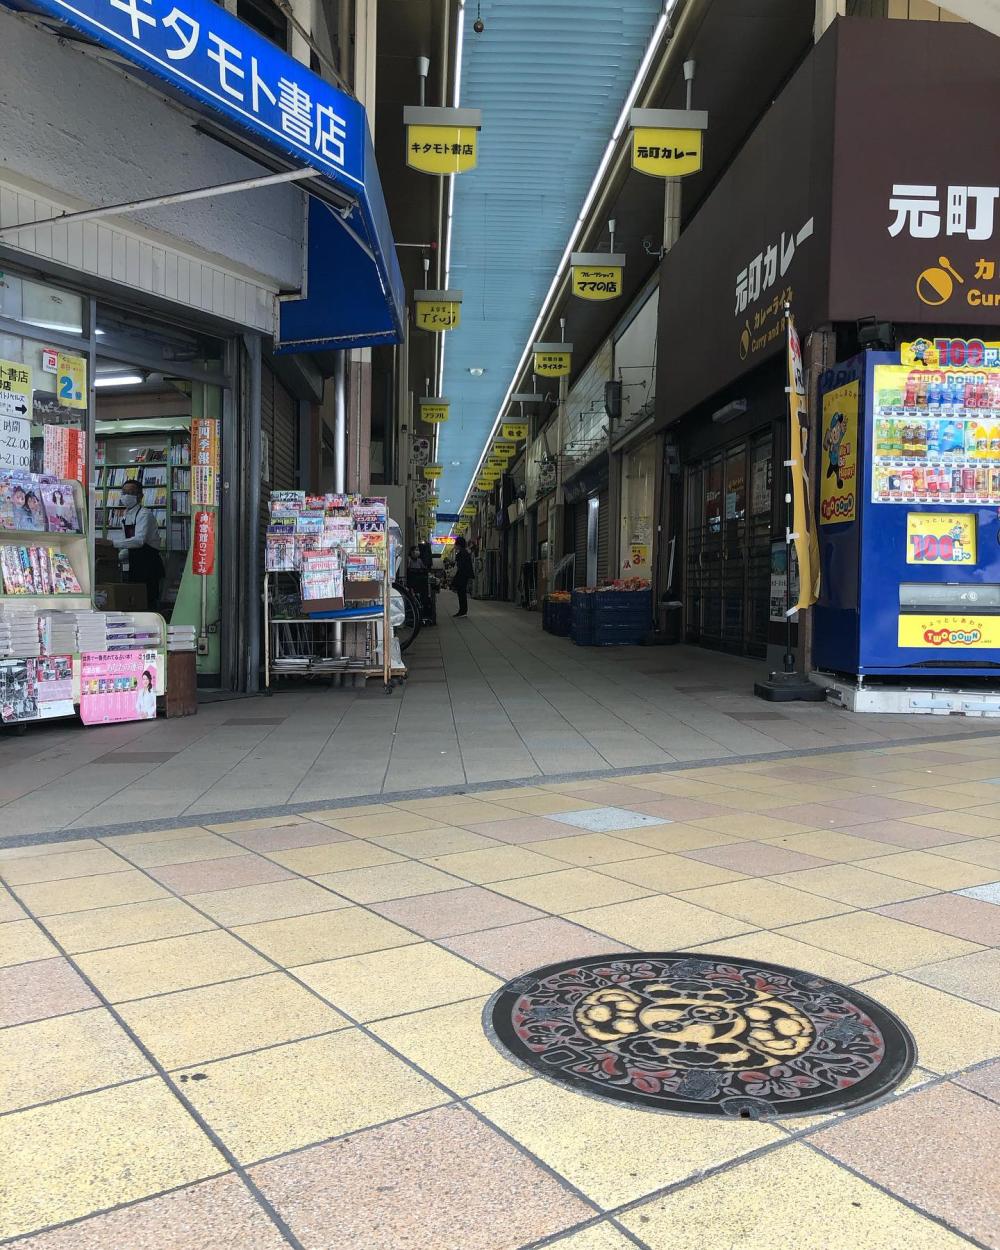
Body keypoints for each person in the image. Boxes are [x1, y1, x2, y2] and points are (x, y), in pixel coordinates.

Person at [113, 478, 165, 610]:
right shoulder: (125, 515)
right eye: (124, 492)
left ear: (140, 496)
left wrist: (112, 543)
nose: (126, 496)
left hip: (149, 564)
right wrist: (116, 557)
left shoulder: (145, 514)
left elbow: (139, 541)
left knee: (149, 600)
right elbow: (128, 544)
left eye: (131, 493)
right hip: (135, 564)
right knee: (135, 600)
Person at [451, 535, 474, 618]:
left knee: (461, 594)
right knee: (462, 593)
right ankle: (463, 611)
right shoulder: (466, 553)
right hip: (465, 576)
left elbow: (459, 567)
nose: (455, 545)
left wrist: (454, 576)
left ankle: (462, 611)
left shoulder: (460, 554)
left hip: (461, 576)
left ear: (459, 545)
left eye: (456, 544)